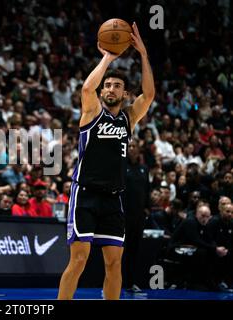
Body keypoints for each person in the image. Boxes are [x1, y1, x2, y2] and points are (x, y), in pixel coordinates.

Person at [58, 23, 155, 300]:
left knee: (114, 263)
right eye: (108, 85)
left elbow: (148, 95)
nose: (110, 88)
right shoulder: (91, 112)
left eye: (117, 86)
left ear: (125, 94)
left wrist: (144, 56)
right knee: (79, 260)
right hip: (85, 193)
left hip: (114, 198)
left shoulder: (128, 118)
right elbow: (87, 88)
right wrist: (108, 58)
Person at [122, 138, 150, 293]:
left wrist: (147, 208)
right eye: (129, 146)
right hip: (123, 215)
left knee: (134, 250)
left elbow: (147, 190)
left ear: (138, 150)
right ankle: (114, 282)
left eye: (134, 146)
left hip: (138, 217)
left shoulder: (144, 169)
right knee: (119, 250)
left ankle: (131, 282)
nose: (131, 148)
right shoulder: (121, 167)